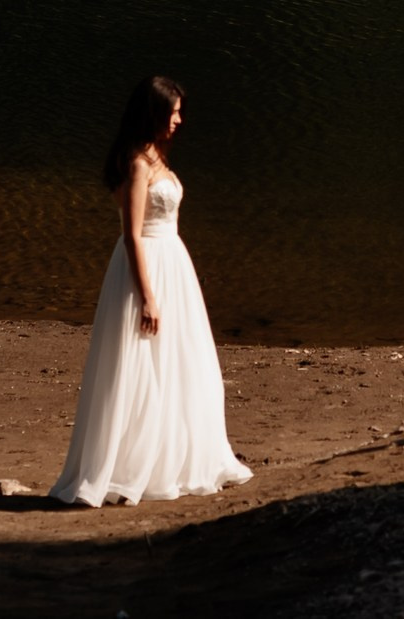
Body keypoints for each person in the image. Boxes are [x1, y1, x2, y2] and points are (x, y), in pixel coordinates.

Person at [49, 75, 253, 506]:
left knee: (186, 364)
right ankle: (132, 467)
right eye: (173, 113)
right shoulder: (137, 163)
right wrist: (148, 297)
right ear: (153, 113)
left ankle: (177, 460)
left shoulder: (157, 156)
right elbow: (132, 235)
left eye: (180, 113)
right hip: (146, 267)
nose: (179, 121)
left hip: (173, 263)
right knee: (141, 369)